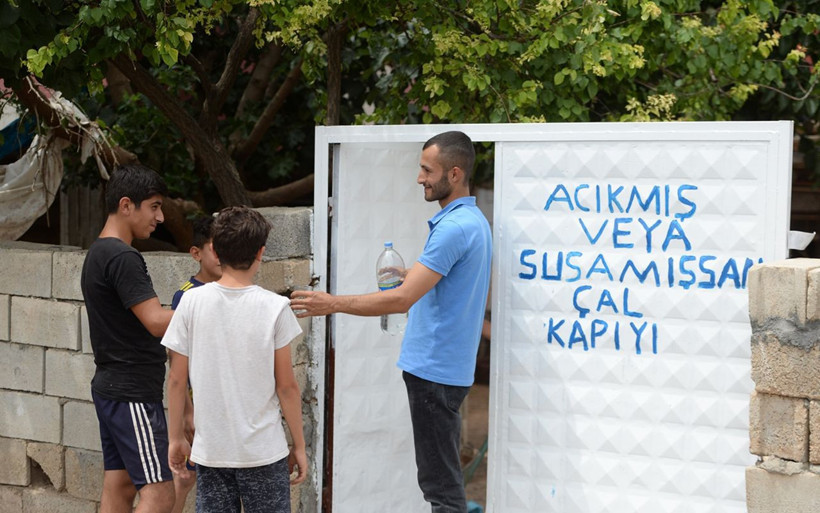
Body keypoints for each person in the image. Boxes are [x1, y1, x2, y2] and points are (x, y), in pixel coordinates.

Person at [290, 130, 492, 513]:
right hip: (445, 370)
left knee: (442, 491)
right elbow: (438, 280)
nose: (419, 178)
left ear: (454, 173)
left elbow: (400, 299)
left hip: (434, 371)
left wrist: (331, 303)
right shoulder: (471, 220)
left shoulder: (453, 228)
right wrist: (411, 274)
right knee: (441, 483)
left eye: (427, 170)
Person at [163, 206, 308, 513]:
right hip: (263, 451)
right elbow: (286, 387)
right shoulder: (275, 307)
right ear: (261, 253)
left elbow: (176, 378)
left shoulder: (190, 302)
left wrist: (175, 437)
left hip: (211, 451)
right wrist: (299, 444)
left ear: (215, 251)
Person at [80, 163, 176, 513]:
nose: (160, 217)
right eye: (154, 206)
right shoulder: (123, 256)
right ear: (125, 205)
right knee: (160, 494)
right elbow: (156, 322)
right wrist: (212, 306)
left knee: (120, 487)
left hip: (112, 388)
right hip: (132, 392)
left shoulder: (98, 251)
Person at [169, 216, 222, 513]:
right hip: (198, 405)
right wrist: (187, 411)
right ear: (196, 253)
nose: (221, 255)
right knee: (185, 476)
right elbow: (176, 360)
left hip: (222, 405)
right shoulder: (187, 295)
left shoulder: (233, 290)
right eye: (215, 248)